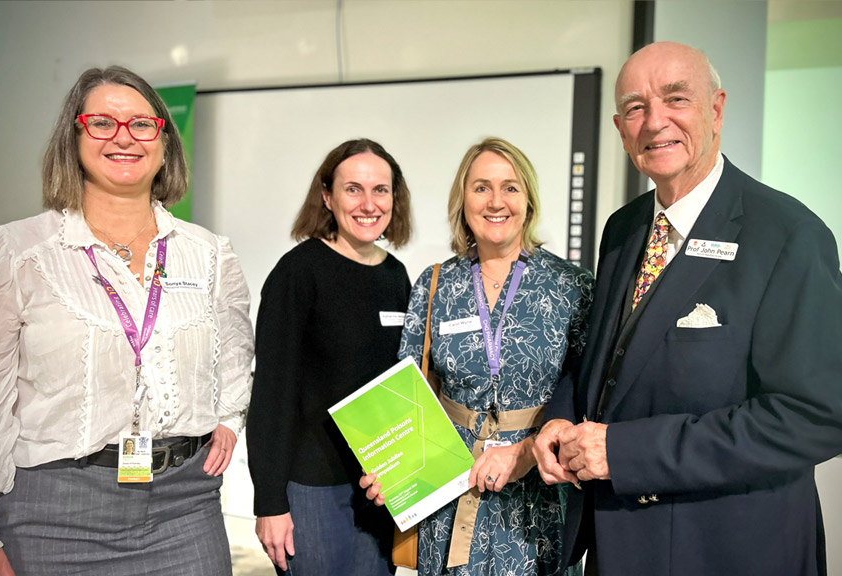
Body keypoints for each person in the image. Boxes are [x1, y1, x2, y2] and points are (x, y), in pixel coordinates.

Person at [533, 41, 842, 576]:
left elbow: (815, 416)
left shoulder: (788, 235)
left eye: (676, 99)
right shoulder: (623, 230)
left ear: (716, 109)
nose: (655, 122)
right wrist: (559, 418)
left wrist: (627, 453)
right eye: (635, 108)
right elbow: (606, 363)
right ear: (619, 127)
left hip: (729, 548)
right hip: (622, 545)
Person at [0, 66, 254, 576]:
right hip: (52, 512)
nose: (123, 137)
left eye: (141, 124)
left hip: (184, 506)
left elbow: (236, 352)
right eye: (102, 122)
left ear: (164, 141)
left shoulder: (209, 254)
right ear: (74, 136)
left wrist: (230, 417)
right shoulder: (17, 253)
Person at [363, 137, 593, 576]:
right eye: (481, 187)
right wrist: (391, 466)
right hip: (449, 490)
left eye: (510, 187)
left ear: (528, 199)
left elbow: (586, 391)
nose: (496, 201)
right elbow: (409, 389)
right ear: (463, 199)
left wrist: (527, 450)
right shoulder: (434, 285)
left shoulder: (572, 287)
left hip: (537, 496)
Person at [246, 138, 413, 575]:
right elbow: (271, 395)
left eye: (381, 190)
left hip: (379, 484)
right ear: (327, 195)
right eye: (353, 189)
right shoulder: (298, 273)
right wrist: (269, 503)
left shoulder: (397, 276)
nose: (369, 203)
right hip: (313, 487)